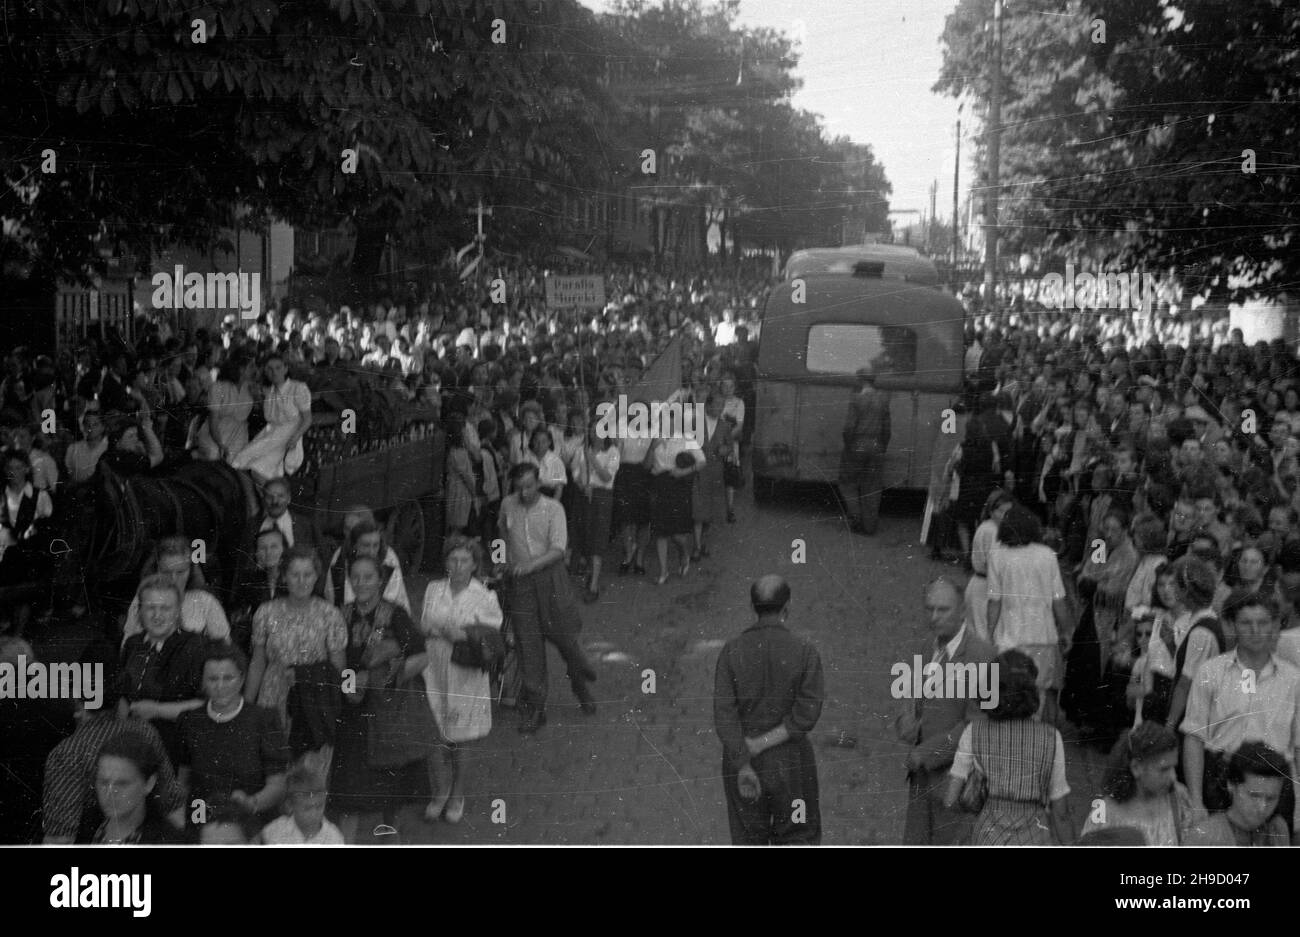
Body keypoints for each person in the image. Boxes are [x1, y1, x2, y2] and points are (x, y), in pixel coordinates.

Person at [713, 575, 824, 845]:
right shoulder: (805, 651)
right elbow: (806, 714)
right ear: (787, 606)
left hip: (743, 760)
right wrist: (762, 743)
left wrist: (742, 761)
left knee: (749, 838)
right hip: (791, 763)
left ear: (752, 607)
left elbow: (724, 715)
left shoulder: (731, 651)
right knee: (798, 835)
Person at [42, 640, 185, 844]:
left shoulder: (67, 753)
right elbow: (173, 806)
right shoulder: (145, 731)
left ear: (76, 696)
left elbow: (60, 838)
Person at [1180, 590, 1300, 829]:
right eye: (1246, 623)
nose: (1255, 630)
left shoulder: (1293, 678)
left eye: (1263, 623)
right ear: (1233, 625)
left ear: (1274, 625)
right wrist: (1196, 801)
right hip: (1223, 778)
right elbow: (1194, 738)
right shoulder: (1211, 672)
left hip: (1275, 781)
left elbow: (1298, 747)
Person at [331, 555, 429, 841]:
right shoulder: (340, 614)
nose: (361, 583)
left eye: (368, 577)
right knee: (349, 791)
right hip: (352, 712)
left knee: (390, 790)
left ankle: (390, 839)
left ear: (380, 581)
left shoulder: (395, 614)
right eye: (355, 577)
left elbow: (421, 657)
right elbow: (335, 663)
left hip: (386, 713)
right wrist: (351, 684)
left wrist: (381, 679)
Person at [498, 462, 598, 733]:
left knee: (566, 637)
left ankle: (580, 683)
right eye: (519, 487)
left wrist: (530, 565)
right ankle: (536, 708)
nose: (524, 492)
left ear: (539, 483)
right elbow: (502, 537)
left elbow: (558, 550)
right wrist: (501, 561)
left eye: (529, 486)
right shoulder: (507, 505)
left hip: (551, 578)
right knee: (528, 644)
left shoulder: (554, 509)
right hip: (521, 585)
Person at [896, 578, 996, 845]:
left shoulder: (985, 657)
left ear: (962, 611)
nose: (934, 617)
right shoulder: (923, 648)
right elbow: (911, 698)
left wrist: (926, 752)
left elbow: (979, 724)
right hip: (921, 780)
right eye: (929, 609)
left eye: (943, 609)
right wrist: (906, 718)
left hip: (957, 782)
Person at [945, 650, 1074, 844]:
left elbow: (950, 799)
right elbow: (1061, 812)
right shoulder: (1051, 737)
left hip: (988, 836)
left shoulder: (974, 731)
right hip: (1035, 837)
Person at [419, 536, 504, 824]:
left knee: (462, 735)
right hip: (434, 666)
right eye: (452, 560)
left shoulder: (484, 596)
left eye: (464, 561)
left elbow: (493, 633)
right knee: (434, 729)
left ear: (474, 564)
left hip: (464, 670)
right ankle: (440, 790)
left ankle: (457, 794)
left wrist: (463, 634)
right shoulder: (434, 589)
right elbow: (424, 623)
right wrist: (439, 630)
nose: (457, 566)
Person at [243, 547, 348, 759]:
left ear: (316, 576)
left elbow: (338, 669)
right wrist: (246, 706)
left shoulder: (330, 615)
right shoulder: (266, 612)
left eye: (307, 574)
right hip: (273, 696)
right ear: (284, 576)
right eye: (295, 574)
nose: (301, 581)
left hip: (313, 701)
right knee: (273, 762)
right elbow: (258, 663)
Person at [177, 646, 289, 841]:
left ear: (242, 679)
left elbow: (278, 785)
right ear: (203, 682)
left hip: (251, 827)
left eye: (228, 678)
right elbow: (184, 782)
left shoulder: (264, 719)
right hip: (204, 826)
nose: (220, 686)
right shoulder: (190, 721)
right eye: (212, 679)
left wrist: (251, 803)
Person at [986, 505, 1073, 723]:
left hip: (1010, 637)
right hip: (1043, 636)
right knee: (1038, 693)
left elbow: (994, 602)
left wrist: (989, 633)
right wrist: (1066, 631)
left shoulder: (997, 555)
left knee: (1007, 693)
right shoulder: (1047, 555)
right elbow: (1058, 601)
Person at [117, 574, 207, 765]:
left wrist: (158, 710)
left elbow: (208, 705)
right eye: (150, 608)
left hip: (175, 750)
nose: (157, 616)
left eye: (165, 608)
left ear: (177, 611)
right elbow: (122, 695)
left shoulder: (194, 647)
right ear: (139, 611)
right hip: (131, 745)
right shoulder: (132, 644)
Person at [1079, 723, 1194, 846]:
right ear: (1136, 768)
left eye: (1174, 768)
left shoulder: (1178, 798)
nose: (1173, 777)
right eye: (1164, 769)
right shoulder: (1105, 814)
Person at [78, 734, 187, 844]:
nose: (110, 792)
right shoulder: (87, 825)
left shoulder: (169, 841)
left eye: (122, 784)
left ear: (149, 783)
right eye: (104, 782)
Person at [121, 536, 231, 645]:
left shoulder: (205, 602)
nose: (173, 579)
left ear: (191, 570)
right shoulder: (142, 599)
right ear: (156, 570)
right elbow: (128, 644)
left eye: (180, 572)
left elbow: (225, 647)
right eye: (166, 572)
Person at [1184, 742, 1294, 846]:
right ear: (1231, 786)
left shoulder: (1277, 828)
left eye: (1271, 798)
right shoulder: (1204, 837)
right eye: (1254, 796)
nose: (1262, 807)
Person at [231, 355, 313, 482]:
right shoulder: (269, 392)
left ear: (285, 369)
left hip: (288, 437)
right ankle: (255, 493)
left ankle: (270, 491)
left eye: (278, 368)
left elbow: (307, 419)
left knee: (259, 470)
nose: (274, 372)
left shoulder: (298, 388)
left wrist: (296, 437)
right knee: (240, 460)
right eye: (269, 369)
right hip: (270, 435)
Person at [648, 409, 704, 585]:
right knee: (660, 532)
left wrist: (683, 471)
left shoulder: (687, 439)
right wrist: (652, 447)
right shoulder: (655, 438)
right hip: (660, 484)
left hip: (679, 486)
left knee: (677, 534)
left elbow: (702, 461)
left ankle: (684, 554)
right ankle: (663, 571)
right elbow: (647, 465)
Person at [838, 367, 891, 535]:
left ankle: (856, 520)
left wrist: (849, 446)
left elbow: (849, 428)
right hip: (876, 445)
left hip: (858, 444)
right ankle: (869, 527)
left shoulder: (856, 399)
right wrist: (882, 446)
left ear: (860, 380)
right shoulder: (883, 400)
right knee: (872, 486)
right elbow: (887, 429)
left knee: (848, 482)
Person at [574, 416, 619, 602]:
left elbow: (607, 477)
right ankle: (589, 571)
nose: (595, 435)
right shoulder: (581, 450)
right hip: (585, 495)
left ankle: (593, 584)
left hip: (602, 497)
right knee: (585, 534)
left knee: (598, 537)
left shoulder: (613, 451)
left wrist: (591, 458)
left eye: (599, 430)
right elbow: (576, 474)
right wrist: (582, 485)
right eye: (591, 431)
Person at [326, 519, 410, 613]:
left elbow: (396, 599)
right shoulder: (339, 561)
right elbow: (331, 597)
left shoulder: (389, 561)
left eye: (375, 545)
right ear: (355, 545)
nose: (371, 551)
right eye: (366, 545)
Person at [256, 759, 345, 845]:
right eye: (307, 808)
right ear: (290, 806)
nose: (314, 814)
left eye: (319, 806)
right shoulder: (275, 830)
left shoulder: (333, 837)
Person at [966, 490, 1014, 643]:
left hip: (981, 584)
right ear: (991, 511)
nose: (1005, 516)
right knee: (985, 636)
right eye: (1001, 511)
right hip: (986, 587)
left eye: (1008, 512)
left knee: (978, 632)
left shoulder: (989, 527)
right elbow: (994, 564)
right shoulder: (992, 531)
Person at [194, 354, 256, 463]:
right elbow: (213, 421)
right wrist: (219, 443)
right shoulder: (218, 387)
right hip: (216, 431)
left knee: (236, 462)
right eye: (251, 366)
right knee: (213, 455)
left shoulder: (251, 388)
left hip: (239, 433)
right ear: (241, 369)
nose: (255, 369)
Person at [692, 392, 731, 561]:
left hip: (716, 472)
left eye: (722, 405)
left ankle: (704, 543)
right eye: (716, 404)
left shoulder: (725, 426)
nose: (719, 408)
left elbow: (729, 446)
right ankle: (696, 547)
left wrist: (725, 450)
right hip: (699, 471)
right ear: (708, 405)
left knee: (711, 511)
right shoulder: (696, 422)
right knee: (698, 511)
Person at [253, 476, 317, 553]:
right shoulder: (253, 526)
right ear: (263, 500)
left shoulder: (305, 525)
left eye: (280, 496)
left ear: (289, 499)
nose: (275, 501)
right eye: (269, 496)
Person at [64, 409, 109, 484]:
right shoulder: (73, 448)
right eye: (87, 424)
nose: (90, 428)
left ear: (103, 427)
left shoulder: (109, 448)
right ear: (83, 427)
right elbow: (69, 475)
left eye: (95, 424)